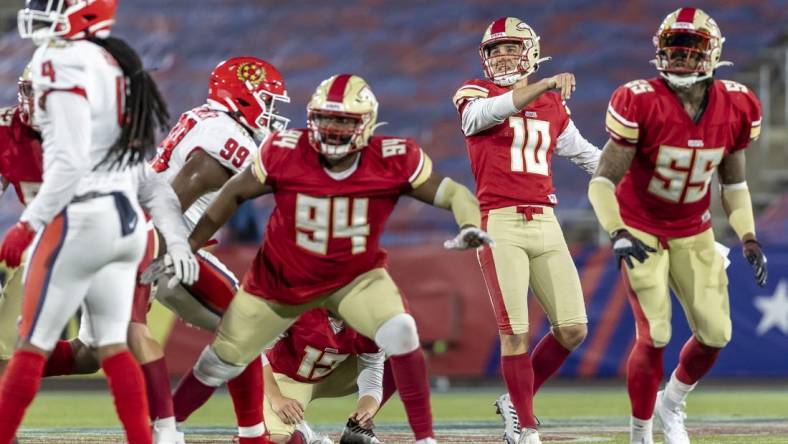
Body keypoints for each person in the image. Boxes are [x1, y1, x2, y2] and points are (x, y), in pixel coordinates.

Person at [169, 73, 493, 444]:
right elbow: (232, 194)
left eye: (344, 120)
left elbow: (453, 193)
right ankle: (164, 425)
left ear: (366, 123)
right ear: (312, 118)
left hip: (355, 277)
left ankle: (425, 439)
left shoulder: (393, 158)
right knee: (220, 358)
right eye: (325, 118)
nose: (334, 129)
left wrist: (469, 224)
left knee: (401, 331)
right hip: (285, 277)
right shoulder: (285, 149)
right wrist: (188, 244)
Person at [0, 1, 198, 443]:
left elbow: (68, 164)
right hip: (124, 223)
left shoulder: (61, 59)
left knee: (31, 343)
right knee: (111, 345)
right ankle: (144, 439)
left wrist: (27, 225)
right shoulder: (116, 64)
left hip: (78, 216)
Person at [587, 7, 767, 444]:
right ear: (660, 52)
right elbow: (601, 183)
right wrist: (618, 232)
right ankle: (640, 432)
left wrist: (747, 235)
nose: (683, 56)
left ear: (713, 53)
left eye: (693, 48)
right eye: (675, 47)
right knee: (656, 333)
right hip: (641, 227)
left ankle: (672, 402)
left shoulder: (738, 104)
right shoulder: (639, 99)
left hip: (694, 229)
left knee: (716, 332)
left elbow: (735, 184)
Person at [452, 16, 600, 444]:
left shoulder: (553, 105)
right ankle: (526, 428)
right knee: (514, 332)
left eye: (510, 47)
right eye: (494, 49)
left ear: (531, 52)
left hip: (546, 221)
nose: (501, 56)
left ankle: (515, 402)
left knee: (573, 329)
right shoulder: (475, 91)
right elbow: (482, 116)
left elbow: (589, 157)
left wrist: (635, 171)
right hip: (500, 223)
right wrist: (544, 85)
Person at [262, 308, 386, 444]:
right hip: (286, 376)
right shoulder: (299, 308)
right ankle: (305, 435)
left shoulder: (367, 322)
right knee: (277, 438)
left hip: (336, 375)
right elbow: (252, 353)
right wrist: (276, 397)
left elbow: (372, 372)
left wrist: (365, 410)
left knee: (399, 342)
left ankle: (357, 432)